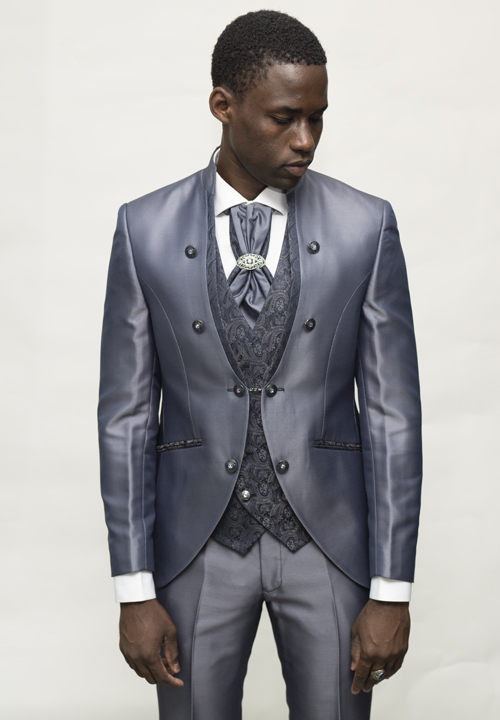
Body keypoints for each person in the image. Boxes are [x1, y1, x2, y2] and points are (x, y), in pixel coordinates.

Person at [98, 10, 422, 720]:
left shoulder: (366, 226)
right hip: (196, 549)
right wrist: (134, 587)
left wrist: (392, 589)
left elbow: (393, 417)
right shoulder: (143, 229)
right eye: (284, 118)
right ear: (224, 105)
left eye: (317, 118)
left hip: (330, 545)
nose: (305, 138)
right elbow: (125, 419)